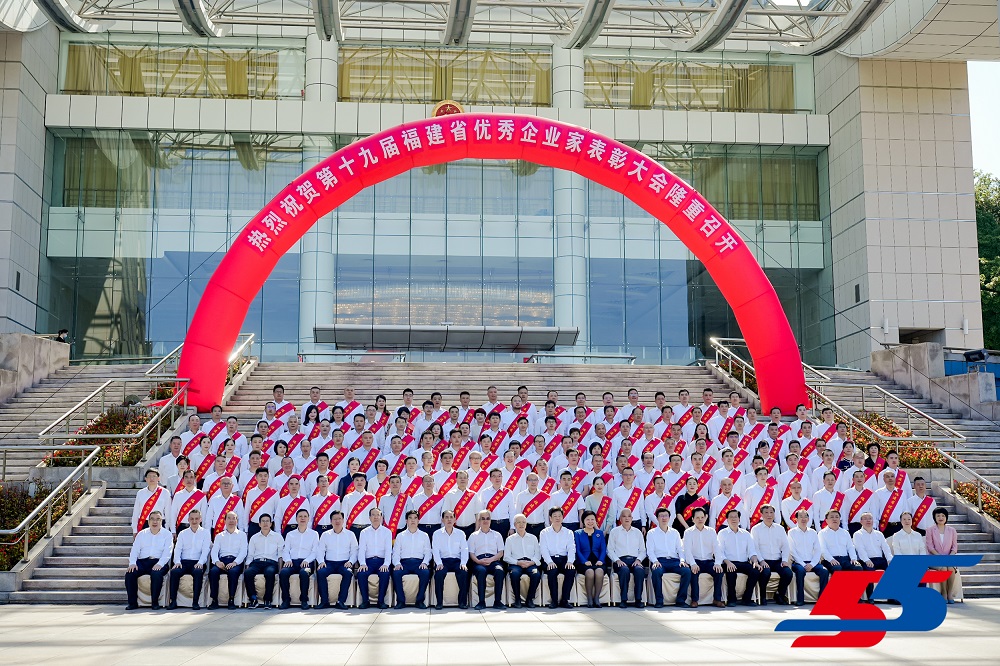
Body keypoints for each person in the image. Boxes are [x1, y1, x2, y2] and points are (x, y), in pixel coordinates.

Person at [124, 510, 172, 610]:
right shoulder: (141, 534)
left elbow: (168, 552)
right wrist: (132, 563)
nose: (155, 522)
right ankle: (132, 603)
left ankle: (154, 602)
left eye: (158, 519)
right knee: (130, 573)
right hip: (142, 562)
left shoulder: (167, 534)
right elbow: (135, 550)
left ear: (161, 521)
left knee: (156, 574)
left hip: (159, 561)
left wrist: (160, 564)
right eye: (152, 519)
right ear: (148, 521)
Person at [647, 507, 692, 608]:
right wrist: (655, 561)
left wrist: (682, 560)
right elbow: (650, 551)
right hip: (660, 561)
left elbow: (680, 549)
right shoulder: (651, 533)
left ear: (669, 518)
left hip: (674, 561)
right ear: (657, 518)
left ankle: (681, 600)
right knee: (656, 571)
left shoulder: (675, 532)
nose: (664, 518)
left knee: (686, 571)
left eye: (666, 516)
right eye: (661, 516)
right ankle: (659, 600)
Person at [716, 509, 762, 606]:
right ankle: (732, 599)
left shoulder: (746, 534)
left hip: (743, 562)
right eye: (731, 517)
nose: (733, 519)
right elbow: (720, 551)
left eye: (735, 517)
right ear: (727, 520)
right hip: (728, 562)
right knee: (731, 571)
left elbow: (752, 551)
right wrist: (728, 562)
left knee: (755, 571)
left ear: (739, 519)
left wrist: (755, 562)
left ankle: (747, 598)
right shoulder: (722, 533)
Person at [167, 509, 211, 609]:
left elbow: (205, 550)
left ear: (200, 519)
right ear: (188, 520)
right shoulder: (183, 533)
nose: (194, 521)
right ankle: (173, 601)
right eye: (192, 519)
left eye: (196, 519)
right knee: (174, 572)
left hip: (197, 562)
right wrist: (177, 561)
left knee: (198, 572)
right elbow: (178, 549)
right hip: (184, 562)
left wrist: (200, 562)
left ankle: (195, 602)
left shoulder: (205, 533)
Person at [682, 506, 724, 608]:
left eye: (702, 517)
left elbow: (717, 548)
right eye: (697, 517)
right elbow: (687, 550)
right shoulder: (688, 532)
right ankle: (694, 600)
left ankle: (717, 599)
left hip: (709, 561)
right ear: (693, 519)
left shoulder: (711, 531)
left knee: (719, 572)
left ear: (706, 517)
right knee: (694, 572)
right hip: (695, 561)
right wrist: (692, 564)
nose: (700, 519)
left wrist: (718, 563)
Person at [750, 504, 792, 606]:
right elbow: (755, 547)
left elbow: (785, 546)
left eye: (771, 512)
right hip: (764, 560)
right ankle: (763, 596)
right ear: (761, 515)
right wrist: (761, 560)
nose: (769, 515)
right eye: (766, 512)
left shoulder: (780, 528)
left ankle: (779, 595)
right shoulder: (756, 529)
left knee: (788, 573)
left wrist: (784, 560)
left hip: (777, 560)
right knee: (765, 573)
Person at [316, 510, 358, 610]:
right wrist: (321, 562)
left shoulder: (350, 534)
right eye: (335, 519)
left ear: (343, 520)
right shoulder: (325, 535)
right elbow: (320, 551)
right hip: (329, 563)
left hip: (344, 563)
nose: (337, 521)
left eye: (339, 519)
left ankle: (341, 601)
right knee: (321, 572)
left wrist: (351, 561)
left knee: (348, 573)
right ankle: (324, 601)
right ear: (331, 521)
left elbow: (355, 551)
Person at [786, 509, 829, 606]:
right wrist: (803, 564)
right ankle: (800, 599)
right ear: (796, 519)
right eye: (800, 516)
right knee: (800, 571)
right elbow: (792, 551)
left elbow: (818, 550)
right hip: (798, 562)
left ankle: (822, 599)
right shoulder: (791, 532)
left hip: (812, 562)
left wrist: (812, 564)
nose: (803, 519)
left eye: (805, 516)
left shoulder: (813, 532)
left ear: (809, 519)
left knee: (824, 571)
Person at [208, 511, 248, 610]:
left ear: (237, 521)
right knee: (213, 572)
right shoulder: (219, 536)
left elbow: (243, 551)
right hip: (222, 560)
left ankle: (231, 599)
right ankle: (214, 600)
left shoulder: (242, 535)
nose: (231, 521)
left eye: (233, 518)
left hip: (235, 561)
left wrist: (235, 562)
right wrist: (217, 562)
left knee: (233, 572)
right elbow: (214, 551)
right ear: (225, 521)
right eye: (229, 518)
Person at [280, 509, 319, 609]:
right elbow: (285, 550)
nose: (302, 518)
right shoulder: (290, 534)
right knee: (283, 572)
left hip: (307, 562)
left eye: (305, 516)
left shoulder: (314, 534)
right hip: (292, 562)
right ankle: (286, 600)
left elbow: (315, 552)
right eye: (300, 516)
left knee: (304, 573)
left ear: (308, 519)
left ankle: (304, 600)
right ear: (296, 519)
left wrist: (307, 560)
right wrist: (287, 560)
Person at [468, 510, 507, 610]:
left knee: (499, 571)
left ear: (490, 520)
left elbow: (501, 552)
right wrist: (478, 561)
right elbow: (471, 553)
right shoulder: (473, 536)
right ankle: (481, 602)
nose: (485, 521)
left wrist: (491, 559)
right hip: (479, 561)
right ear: (479, 521)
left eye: (487, 518)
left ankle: (497, 601)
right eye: (483, 519)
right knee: (481, 571)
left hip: (494, 560)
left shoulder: (497, 535)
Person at [393, 510, 432, 609]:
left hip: (419, 563)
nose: (413, 520)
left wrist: (425, 563)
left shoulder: (424, 535)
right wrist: (397, 563)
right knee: (396, 573)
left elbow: (428, 552)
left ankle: (419, 601)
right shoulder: (400, 536)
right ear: (406, 521)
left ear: (418, 520)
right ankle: (400, 601)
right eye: (410, 518)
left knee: (425, 573)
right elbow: (396, 553)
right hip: (404, 563)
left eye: (415, 518)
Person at [608, 508, 646, 608]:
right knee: (624, 570)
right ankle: (623, 599)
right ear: (620, 518)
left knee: (639, 570)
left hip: (635, 560)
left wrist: (639, 560)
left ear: (632, 518)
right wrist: (617, 560)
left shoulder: (637, 532)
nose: (627, 518)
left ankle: (638, 599)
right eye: (624, 516)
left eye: (629, 516)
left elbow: (643, 550)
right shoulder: (614, 531)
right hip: (620, 560)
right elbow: (610, 550)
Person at [432, 510, 470, 609]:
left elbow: (464, 549)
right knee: (439, 574)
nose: (449, 519)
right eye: (446, 517)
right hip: (443, 561)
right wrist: (438, 563)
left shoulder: (460, 533)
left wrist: (463, 563)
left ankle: (462, 602)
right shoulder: (437, 534)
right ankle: (439, 602)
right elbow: (435, 550)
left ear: (455, 519)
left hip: (457, 561)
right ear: (442, 520)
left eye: (451, 517)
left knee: (464, 573)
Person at [244, 514, 283, 609]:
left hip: (271, 563)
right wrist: (247, 565)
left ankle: (267, 600)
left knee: (269, 572)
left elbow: (280, 555)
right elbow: (250, 555)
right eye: (263, 521)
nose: (265, 523)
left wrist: (280, 569)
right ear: (259, 524)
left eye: (267, 521)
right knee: (248, 573)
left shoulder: (278, 537)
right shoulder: (254, 537)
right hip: (257, 562)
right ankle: (253, 599)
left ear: (271, 524)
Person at [853, 511, 893, 602]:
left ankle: (892, 597)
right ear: (861, 521)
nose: (868, 521)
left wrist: (889, 559)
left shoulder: (879, 534)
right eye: (865, 519)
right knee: (869, 572)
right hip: (867, 560)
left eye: (870, 518)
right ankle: (870, 597)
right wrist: (866, 560)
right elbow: (860, 549)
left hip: (880, 559)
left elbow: (885, 547)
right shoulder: (857, 534)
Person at [540, 507, 576, 609]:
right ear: (550, 518)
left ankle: (565, 600)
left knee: (571, 571)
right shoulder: (544, 532)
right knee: (552, 571)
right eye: (555, 516)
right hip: (550, 559)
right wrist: (549, 562)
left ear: (563, 518)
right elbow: (543, 549)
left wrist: (570, 561)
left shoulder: (568, 532)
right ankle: (554, 601)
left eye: (559, 516)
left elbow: (571, 548)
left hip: (564, 559)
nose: (557, 518)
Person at [926, 507, 963, 603]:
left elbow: (954, 547)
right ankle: (943, 592)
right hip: (934, 558)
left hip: (949, 558)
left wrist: (949, 556)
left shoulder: (952, 530)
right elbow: (930, 547)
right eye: (938, 516)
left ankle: (949, 593)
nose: (941, 518)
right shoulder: (930, 530)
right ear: (934, 517)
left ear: (946, 517)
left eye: (943, 515)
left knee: (950, 568)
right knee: (943, 568)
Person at [504, 514, 542, 608]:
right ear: (514, 525)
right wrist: (518, 562)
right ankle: (517, 599)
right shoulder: (510, 539)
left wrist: (532, 562)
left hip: (530, 563)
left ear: (526, 524)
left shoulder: (533, 538)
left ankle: (529, 599)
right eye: (519, 522)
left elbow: (538, 554)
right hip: (516, 563)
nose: (521, 524)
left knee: (536, 574)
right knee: (514, 574)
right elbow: (506, 557)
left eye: (523, 522)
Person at [357, 508, 392, 609]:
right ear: (369, 517)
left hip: (382, 561)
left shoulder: (387, 532)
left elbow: (388, 550)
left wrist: (386, 564)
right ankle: (365, 601)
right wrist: (362, 563)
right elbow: (361, 550)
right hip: (368, 561)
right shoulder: (364, 532)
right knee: (361, 573)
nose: (376, 517)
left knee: (385, 573)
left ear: (381, 517)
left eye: (378, 515)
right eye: (373, 515)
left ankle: (381, 601)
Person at [575, 510, 607, 608]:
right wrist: (584, 561)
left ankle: (596, 598)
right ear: (583, 521)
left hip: (598, 561)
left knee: (599, 572)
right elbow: (577, 550)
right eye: (587, 519)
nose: (590, 522)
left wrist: (601, 560)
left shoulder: (599, 533)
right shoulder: (578, 533)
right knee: (589, 572)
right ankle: (589, 598)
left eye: (592, 519)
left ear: (595, 521)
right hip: (583, 562)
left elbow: (603, 549)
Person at [132, 469, 170, 536]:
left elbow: (168, 512)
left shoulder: (165, 492)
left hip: (160, 523)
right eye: (149, 476)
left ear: (158, 478)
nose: (151, 478)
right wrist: (135, 529)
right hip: (144, 522)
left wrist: (167, 528)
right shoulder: (140, 493)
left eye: (154, 476)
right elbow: (136, 512)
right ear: (145, 479)